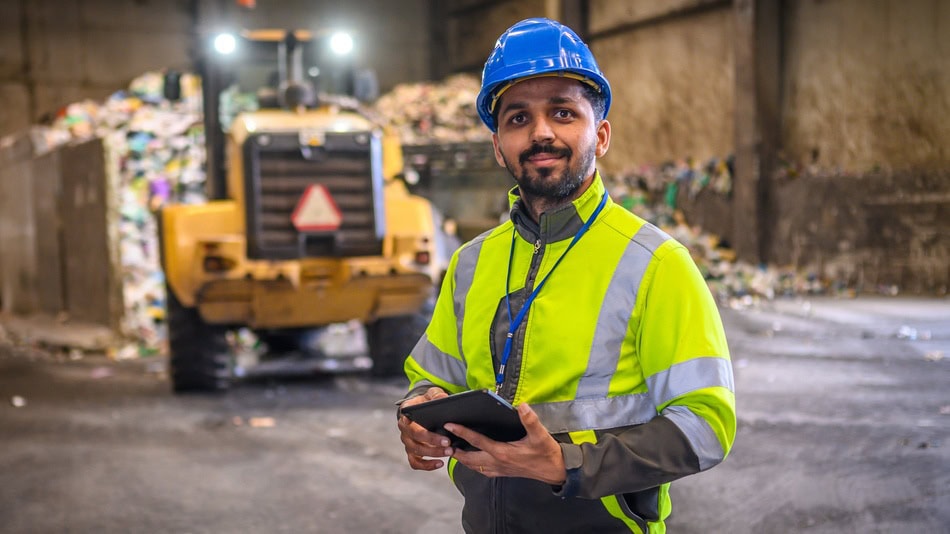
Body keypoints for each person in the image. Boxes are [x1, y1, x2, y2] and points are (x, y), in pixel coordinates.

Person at [396, 17, 736, 533]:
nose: (541, 132)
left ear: (600, 135)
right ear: (498, 146)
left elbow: (707, 426)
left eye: (563, 112)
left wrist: (567, 464)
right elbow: (432, 378)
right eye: (518, 118)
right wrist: (417, 413)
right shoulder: (470, 263)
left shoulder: (656, 263)